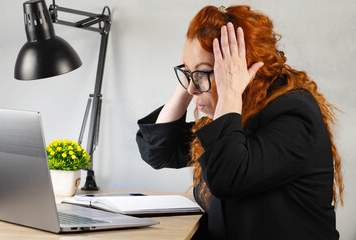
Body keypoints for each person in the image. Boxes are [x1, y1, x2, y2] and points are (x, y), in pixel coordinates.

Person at [135, 5, 344, 240]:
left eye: (203, 74)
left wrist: (229, 92)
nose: (193, 88)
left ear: (240, 71)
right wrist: (192, 74)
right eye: (186, 72)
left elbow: (228, 178)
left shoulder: (294, 115)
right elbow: (159, 151)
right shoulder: (228, 113)